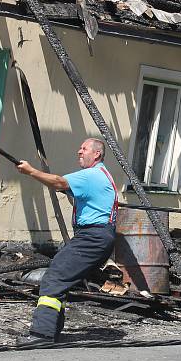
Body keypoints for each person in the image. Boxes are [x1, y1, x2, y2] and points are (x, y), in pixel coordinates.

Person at [15, 138, 118, 345]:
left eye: (84, 149)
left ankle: (41, 335)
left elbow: (59, 182)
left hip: (92, 236)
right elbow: (65, 189)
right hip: (94, 236)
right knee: (58, 277)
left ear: (96, 154)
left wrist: (31, 171)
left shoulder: (91, 175)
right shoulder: (101, 175)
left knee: (54, 279)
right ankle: (50, 331)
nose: (79, 151)